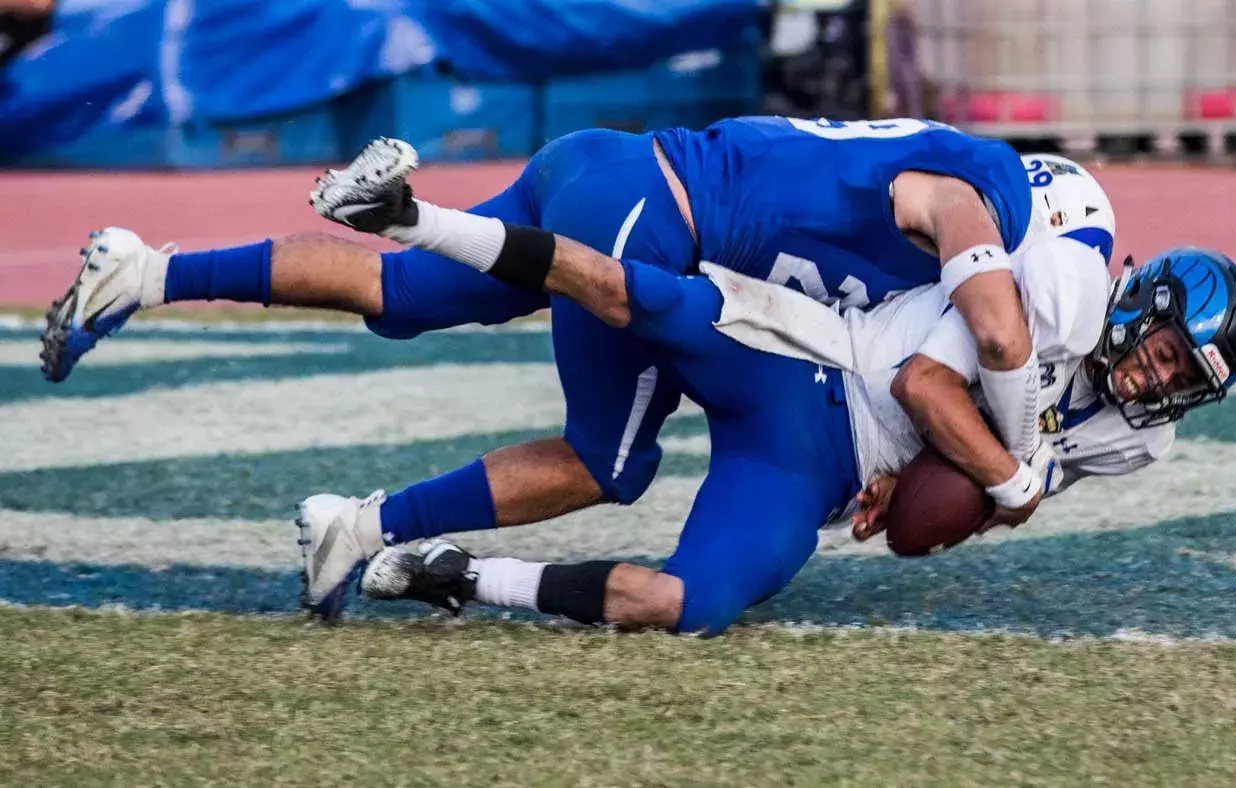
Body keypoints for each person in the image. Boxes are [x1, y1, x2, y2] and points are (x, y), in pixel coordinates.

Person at [41, 120, 1098, 598]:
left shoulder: (961, 210)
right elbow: (991, 320)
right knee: (610, 459)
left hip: (607, 160)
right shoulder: (981, 188)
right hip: (655, 218)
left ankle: (143, 272)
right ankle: (408, 225)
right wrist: (1017, 467)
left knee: (401, 299)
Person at [292, 150, 1236, 634]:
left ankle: (451, 571)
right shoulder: (1063, 278)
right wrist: (1005, 474)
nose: (1160, 377)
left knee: (680, 601)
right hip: (801, 348)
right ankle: (414, 215)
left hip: (812, 463)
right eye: (1170, 351)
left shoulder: (1139, 439)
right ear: (1145, 302)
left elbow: (999, 476)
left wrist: (963, 480)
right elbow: (935, 381)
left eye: (1186, 379)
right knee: (622, 288)